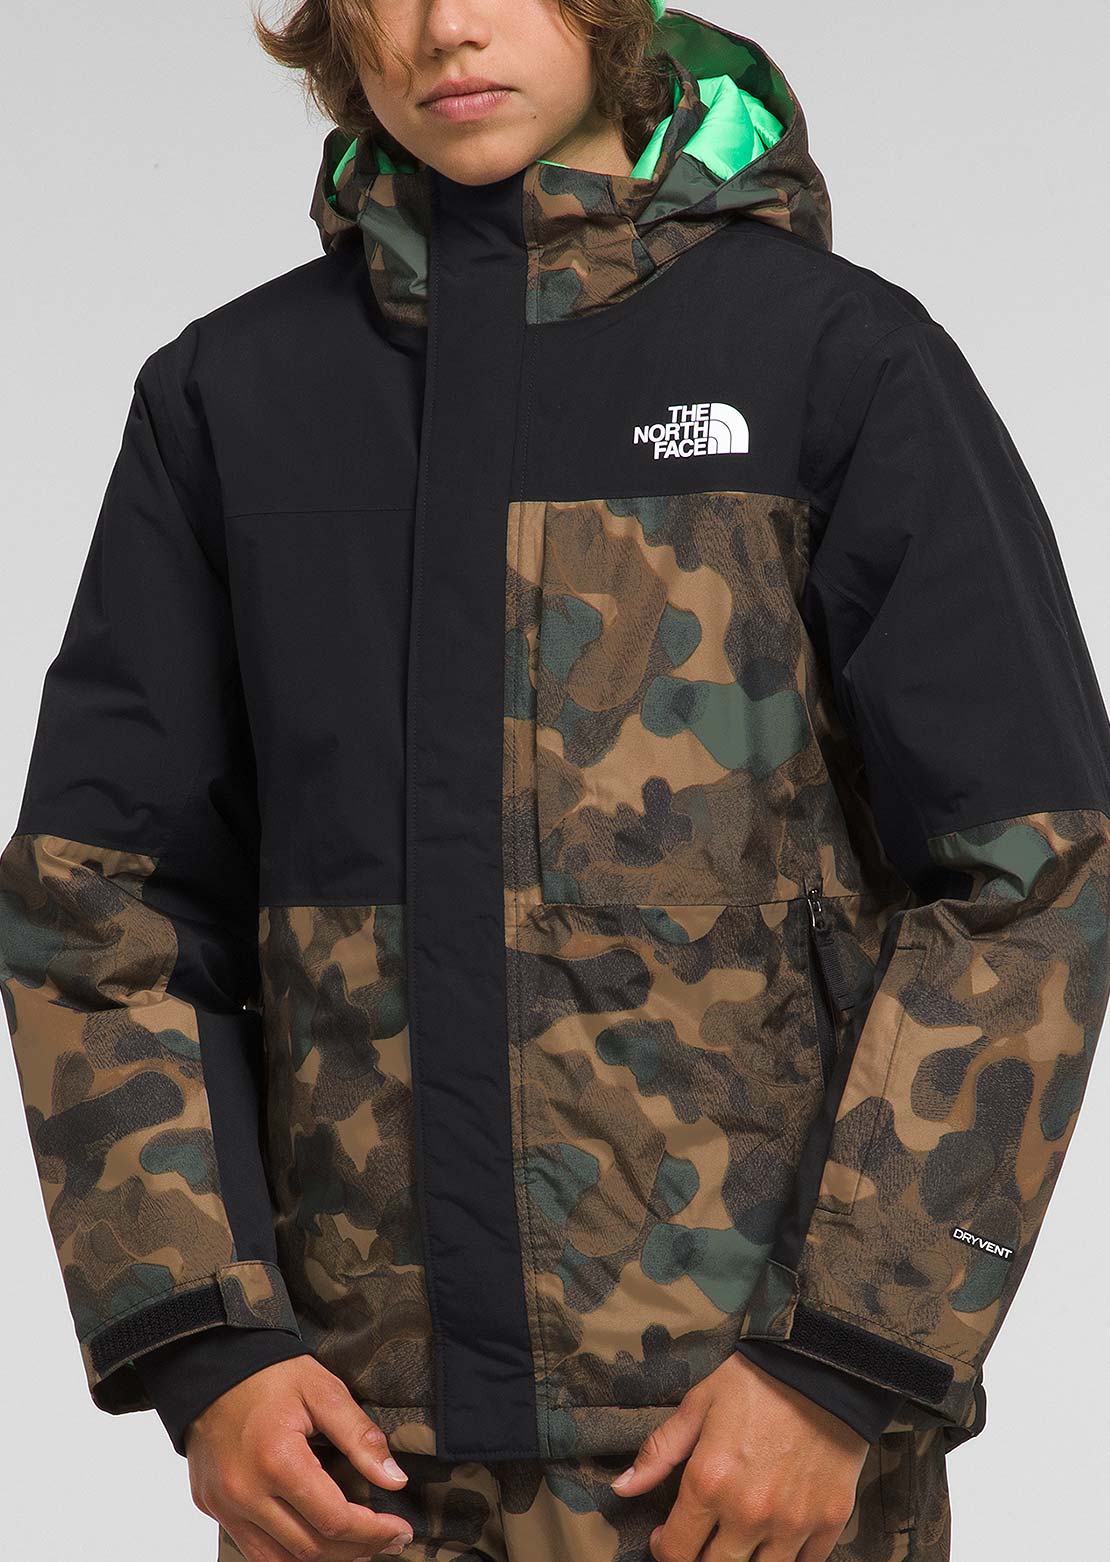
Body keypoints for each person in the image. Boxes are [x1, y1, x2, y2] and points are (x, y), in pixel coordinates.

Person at [2, 0, 1108, 1556]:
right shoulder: (232, 399)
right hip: (353, 1474)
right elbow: (99, 901)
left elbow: (1032, 875)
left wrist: (845, 1364)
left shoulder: (829, 361)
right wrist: (206, 1346)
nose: (446, 27)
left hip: (739, 1467)